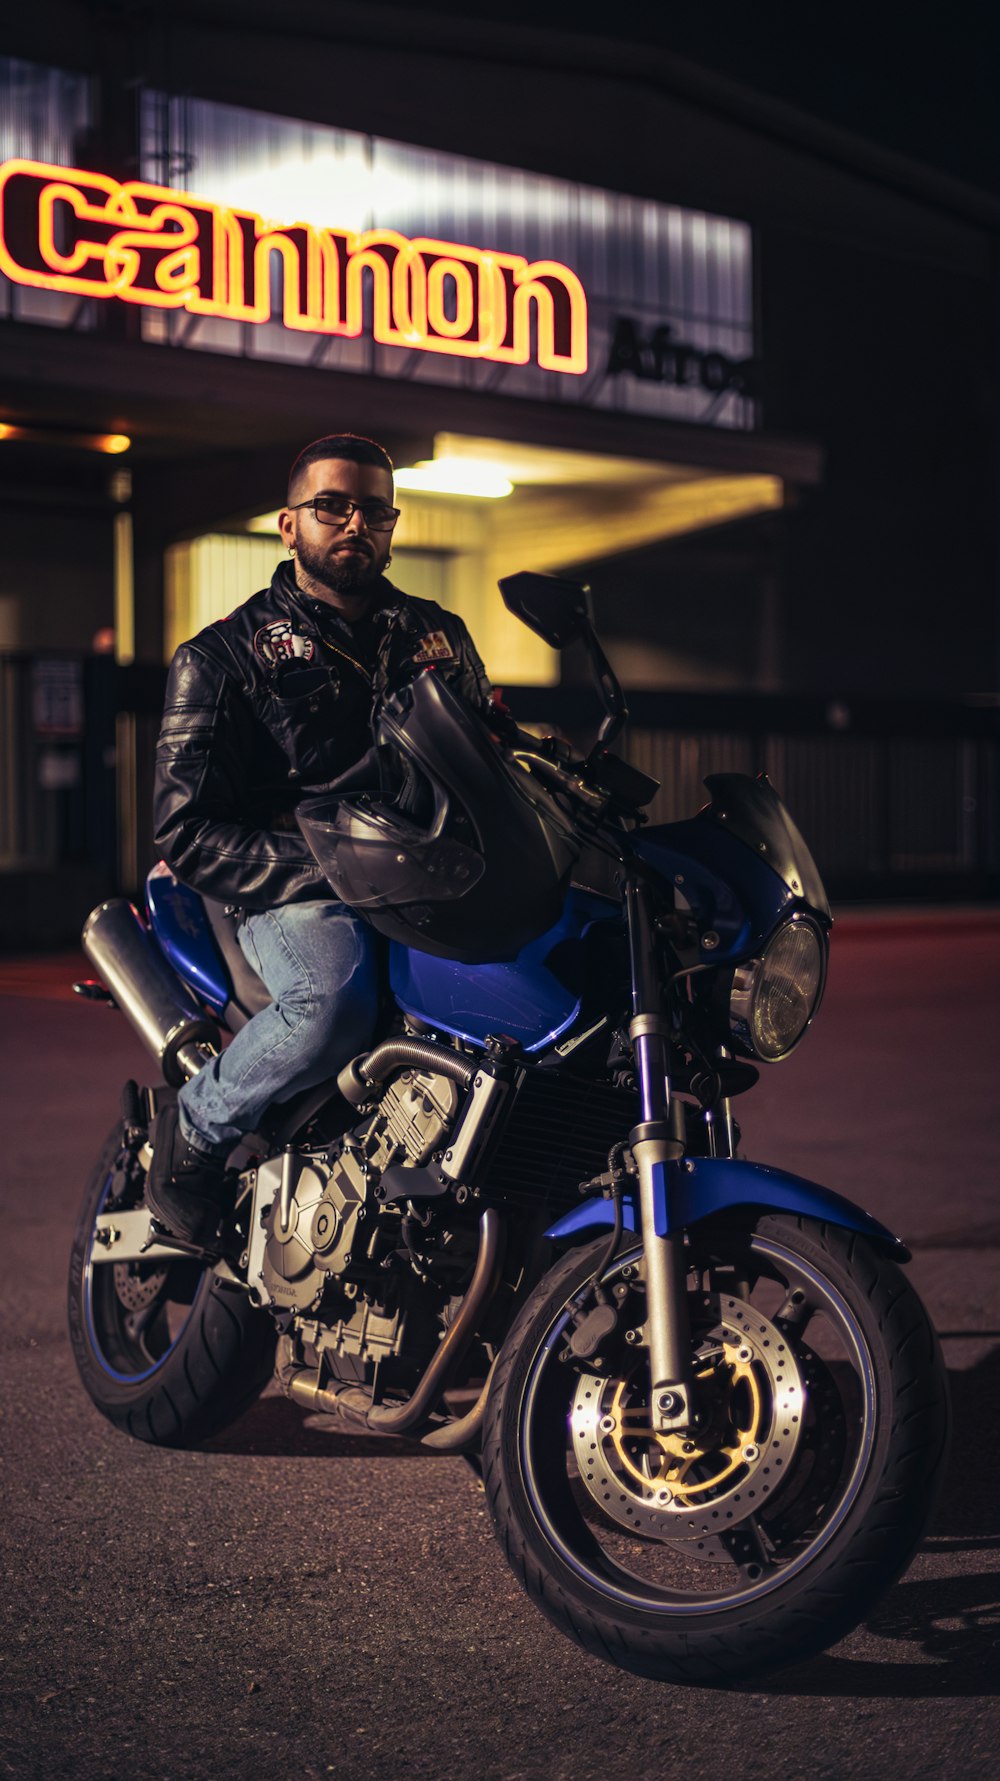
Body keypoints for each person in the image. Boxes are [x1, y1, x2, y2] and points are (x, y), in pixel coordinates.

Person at [147, 433, 493, 1243]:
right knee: (331, 1000)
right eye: (331, 506)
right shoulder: (222, 656)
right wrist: (333, 866)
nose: (354, 524)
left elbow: (496, 749)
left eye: (374, 509)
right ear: (287, 525)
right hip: (289, 888)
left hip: (423, 872)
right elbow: (185, 828)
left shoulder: (435, 635)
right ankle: (194, 1134)